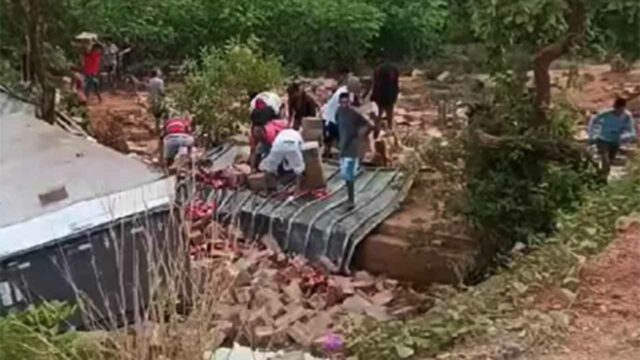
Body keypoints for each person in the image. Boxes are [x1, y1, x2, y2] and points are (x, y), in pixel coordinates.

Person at [336, 92, 374, 210]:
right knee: (345, 174)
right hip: (343, 146)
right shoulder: (339, 112)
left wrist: (360, 134)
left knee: (349, 174)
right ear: (339, 103)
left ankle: (351, 201)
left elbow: (370, 125)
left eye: (347, 102)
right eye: (342, 102)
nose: (345, 105)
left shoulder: (354, 113)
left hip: (352, 147)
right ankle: (349, 198)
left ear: (350, 102)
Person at [588, 98, 637, 178]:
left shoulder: (627, 116)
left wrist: (625, 137)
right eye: (617, 109)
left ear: (623, 108)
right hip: (603, 139)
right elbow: (594, 119)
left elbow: (631, 130)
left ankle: (601, 176)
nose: (618, 111)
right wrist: (592, 134)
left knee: (609, 162)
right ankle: (603, 179)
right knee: (605, 160)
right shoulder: (606, 113)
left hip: (615, 142)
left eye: (620, 109)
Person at [322, 76, 362, 157]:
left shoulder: (345, 90)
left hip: (331, 116)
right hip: (331, 118)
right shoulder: (343, 93)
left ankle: (329, 152)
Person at [370, 61, 399, 138]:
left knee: (378, 117)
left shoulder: (378, 69)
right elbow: (396, 84)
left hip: (379, 97)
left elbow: (375, 85)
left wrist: (372, 97)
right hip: (390, 96)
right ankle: (391, 133)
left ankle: (376, 135)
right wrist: (395, 96)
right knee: (390, 116)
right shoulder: (394, 69)